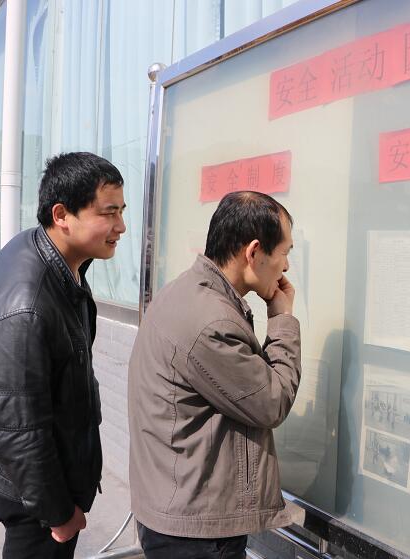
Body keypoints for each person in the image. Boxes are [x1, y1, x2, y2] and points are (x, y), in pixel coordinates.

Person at [0, 152, 126, 558]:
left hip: (44, 470)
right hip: (30, 489)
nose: (121, 227)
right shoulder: (26, 306)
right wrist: (57, 513)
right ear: (62, 215)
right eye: (108, 213)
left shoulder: (57, 256)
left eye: (122, 211)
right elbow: (19, 428)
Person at [128, 191, 301, 559]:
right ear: (253, 252)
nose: (286, 266)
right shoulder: (212, 322)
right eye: (285, 253)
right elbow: (273, 401)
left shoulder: (186, 292)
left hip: (175, 507)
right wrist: (282, 319)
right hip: (195, 532)